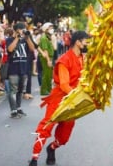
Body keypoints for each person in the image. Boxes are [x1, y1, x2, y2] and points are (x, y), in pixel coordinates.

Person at [28, 30, 90, 166]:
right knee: (46, 126)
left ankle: (52, 148)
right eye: (86, 41)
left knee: (64, 136)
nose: (88, 44)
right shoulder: (64, 60)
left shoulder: (83, 58)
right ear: (78, 42)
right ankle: (34, 157)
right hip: (60, 98)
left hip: (72, 101)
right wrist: (78, 97)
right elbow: (64, 85)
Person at [6, 22, 36, 119]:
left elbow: (32, 49)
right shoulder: (9, 39)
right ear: (16, 30)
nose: (23, 31)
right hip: (13, 68)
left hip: (24, 68)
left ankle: (18, 108)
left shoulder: (26, 40)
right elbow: (10, 49)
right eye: (21, 29)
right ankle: (13, 110)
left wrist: (27, 38)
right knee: (13, 90)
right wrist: (17, 38)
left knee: (20, 90)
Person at [37, 23, 56, 96]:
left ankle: (48, 89)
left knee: (49, 74)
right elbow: (45, 50)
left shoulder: (48, 37)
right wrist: (48, 60)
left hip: (49, 57)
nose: (52, 29)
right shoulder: (44, 38)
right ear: (46, 29)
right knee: (46, 74)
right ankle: (44, 90)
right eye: (50, 28)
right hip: (46, 58)